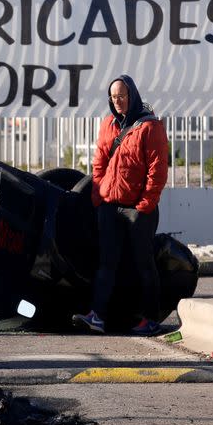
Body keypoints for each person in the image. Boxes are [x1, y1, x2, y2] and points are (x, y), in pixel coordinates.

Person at [73, 75, 169, 335]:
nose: (118, 102)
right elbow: (99, 161)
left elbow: (157, 169)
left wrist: (145, 204)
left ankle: (150, 318)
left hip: (138, 208)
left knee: (144, 264)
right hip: (109, 204)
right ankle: (98, 316)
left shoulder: (150, 126)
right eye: (114, 97)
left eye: (122, 96)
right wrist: (98, 195)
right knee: (106, 263)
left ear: (132, 96)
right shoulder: (108, 124)